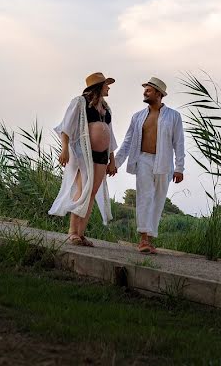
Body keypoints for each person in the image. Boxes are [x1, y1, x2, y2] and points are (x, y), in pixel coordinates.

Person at [115, 77, 185, 254]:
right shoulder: (138, 116)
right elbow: (128, 142)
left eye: (149, 90)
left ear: (159, 94)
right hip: (143, 160)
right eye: (145, 90)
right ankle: (143, 239)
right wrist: (115, 163)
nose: (145, 92)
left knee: (158, 200)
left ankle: (150, 240)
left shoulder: (173, 116)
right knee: (144, 197)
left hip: (164, 162)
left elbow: (179, 143)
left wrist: (179, 168)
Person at [48, 72, 119, 246]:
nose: (108, 87)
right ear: (98, 86)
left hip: (102, 156)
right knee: (82, 190)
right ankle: (72, 231)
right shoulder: (80, 103)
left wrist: (112, 160)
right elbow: (66, 128)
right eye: (106, 84)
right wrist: (65, 150)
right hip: (84, 154)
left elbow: (110, 134)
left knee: (92, 193)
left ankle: (81, 233)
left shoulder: (106, 108)